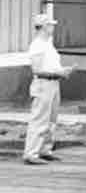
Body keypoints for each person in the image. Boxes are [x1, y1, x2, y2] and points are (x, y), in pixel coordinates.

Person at [23, 14, 72, 165]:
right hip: (43, 84)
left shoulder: (47, 44)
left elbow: (50, 65)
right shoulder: (37, 45)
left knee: (51, 119)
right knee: (39, 119)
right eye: (50, 25)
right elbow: (37, 70)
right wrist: (59, 73)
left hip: (53, 83)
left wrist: (62, 70)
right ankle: (31, 153)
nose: (53, 27)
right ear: (43, 26)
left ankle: (44, 150)